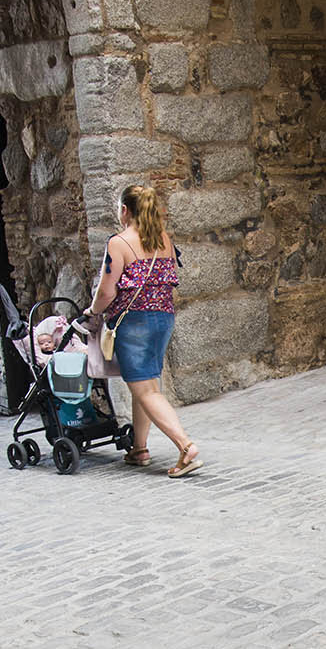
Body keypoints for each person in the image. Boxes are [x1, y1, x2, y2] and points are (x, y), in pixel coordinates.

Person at [91, 183, 203, 478]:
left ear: (125, 210)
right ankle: (139, 449)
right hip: (163, 319)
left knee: (146, 389)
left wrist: (93, 312)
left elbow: (106, 292)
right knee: (147, 383)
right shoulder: (163, 240)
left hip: (134, 322)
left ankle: (185, 446)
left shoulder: (119, 243)